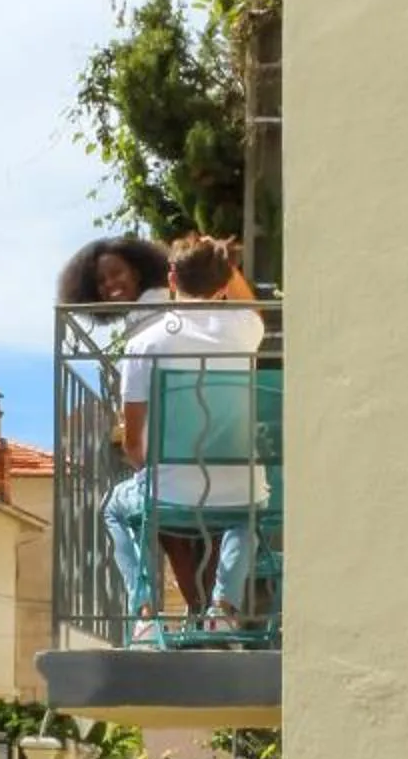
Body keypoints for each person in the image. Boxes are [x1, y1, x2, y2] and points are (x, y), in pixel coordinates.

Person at [102, 236, 266, 643]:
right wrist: (225, 263)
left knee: (113, 509)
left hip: (170, 491)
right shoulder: (246, 330)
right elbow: (248, 303)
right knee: (248, 513)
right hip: (239, 490)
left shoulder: (145, 343)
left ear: (171, 277)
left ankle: (143, 613)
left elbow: (133, 443)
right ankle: (223, 609)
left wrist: (150, 469)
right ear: (225, 282)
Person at [55, 235, 170, 309]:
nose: (109, 283)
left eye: (116, 273)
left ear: (136, 274)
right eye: (101, 281)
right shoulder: (139, 316)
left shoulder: (165, 309)